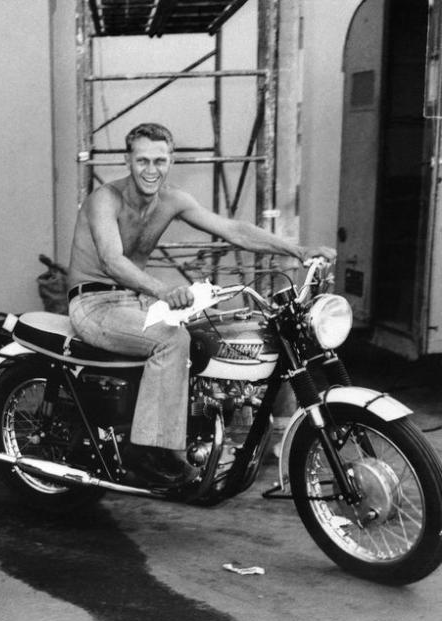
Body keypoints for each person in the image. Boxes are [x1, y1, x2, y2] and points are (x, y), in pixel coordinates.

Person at [67, 121, 336, 486]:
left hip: (136, 301)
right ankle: (148, 451)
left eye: (159, 161)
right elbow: (113, 260)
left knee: (207, 335)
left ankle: (201, 436)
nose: (151, 170)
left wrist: (299, 250)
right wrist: (163, 291)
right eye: (142, 160)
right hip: (94, 302)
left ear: (171, 160)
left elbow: (233, 230)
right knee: (171, 341)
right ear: (128, 161)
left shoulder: (173, 200)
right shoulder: (105, 200)